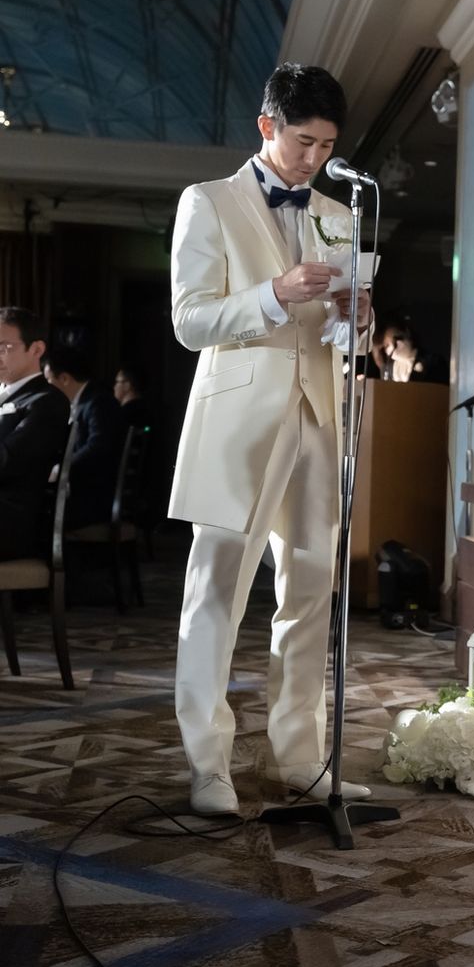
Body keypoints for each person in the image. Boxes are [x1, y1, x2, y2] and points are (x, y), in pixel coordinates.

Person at [169, 62, 372, 816]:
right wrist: (273, 295)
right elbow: (190, 321)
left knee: (311, 591)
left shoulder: (341, 215)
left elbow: (341, 336)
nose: (314, 158)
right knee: (215, 591)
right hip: (237, 424)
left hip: (319, 418)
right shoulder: (208, 202)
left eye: (326, 147)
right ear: (267, 126)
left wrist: (358, 317)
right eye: (302, 141)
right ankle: (208, 765)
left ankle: (300, 758)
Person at [0, 308, 70, 560]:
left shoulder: (48, 401)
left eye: (4, 347)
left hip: (10, 523)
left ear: (36, 349)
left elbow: (6, 461)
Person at [42, 345, 125, 530]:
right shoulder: (84, 402)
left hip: (93, 498)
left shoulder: (98, 402)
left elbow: (98, 446)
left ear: (64, 378)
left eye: (49, 380)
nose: (47, 386)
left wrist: (61, 469)